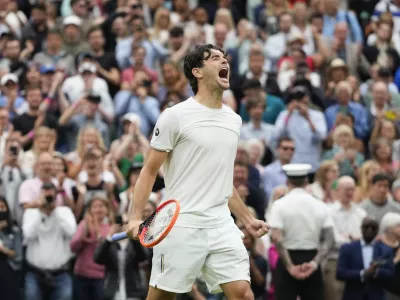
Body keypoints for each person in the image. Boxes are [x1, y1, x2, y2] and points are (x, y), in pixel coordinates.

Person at [126, 44, 269, 300]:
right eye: (215, 58)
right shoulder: (174, 116)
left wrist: (247, 219)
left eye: (225, 58)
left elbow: (222, 181)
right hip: (180, 224)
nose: (224, 61)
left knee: (243, 295)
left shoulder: (233, 120)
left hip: (221, 224)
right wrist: (135, 217)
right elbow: (148, 171)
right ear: (198, 72)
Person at [269, 163, 335, 300]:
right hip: (312, 258)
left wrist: (290, 266)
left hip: (287, 257)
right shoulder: (321, 205)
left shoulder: (279, 205)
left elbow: (277, 238)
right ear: (306, 181)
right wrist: (314, 264)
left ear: (287, 181)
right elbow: (330, 240)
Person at [22, 182, 77, 300]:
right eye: (45, 197)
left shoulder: (64, 212)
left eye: (51, 197)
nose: (48, 200)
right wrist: (40, 211)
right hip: (35, 274)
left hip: (61, 274)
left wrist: (54, 211)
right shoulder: (31, 213)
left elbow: (71, 232)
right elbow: (28, 235)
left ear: (56, 197)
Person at [336, 217, 395, 300]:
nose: (369, 230)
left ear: (378, 230)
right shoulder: (347, 248)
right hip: (353, 295)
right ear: (361, 228)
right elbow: (340, 273)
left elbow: (390, 273)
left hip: (376, 296)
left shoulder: (385, 250)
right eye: (366, 227)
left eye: (373, 227)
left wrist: (376, 272)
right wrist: (363, 274)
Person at [0, 196, 23, 300]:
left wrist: (3, 249)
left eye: (2, 207)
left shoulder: (14, 230)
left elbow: (18, 256)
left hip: (9, 272)